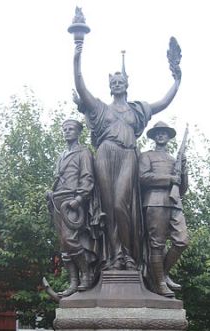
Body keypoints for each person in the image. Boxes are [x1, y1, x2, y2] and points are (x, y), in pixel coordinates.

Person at [73, 40, 181, 270]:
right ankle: (115, 256)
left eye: (121, 81)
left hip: (128, 156)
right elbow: (80, 85)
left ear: (126, 85)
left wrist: (177, 80)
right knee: (109, 207)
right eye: (114, 82)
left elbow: (163, 102)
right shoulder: (101, 108)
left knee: (123, 205)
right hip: (105, 155)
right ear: (110, 86)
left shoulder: (137, 109)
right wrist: (77, 55)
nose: (118, 84)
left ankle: (129, 254)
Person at [47, 119, 97, 297]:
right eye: (65, 129)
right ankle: (73, 282)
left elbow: (88, 177)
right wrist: (51, 193)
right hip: (57, 200)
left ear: (78, 132)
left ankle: (87, 275)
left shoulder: (84, 152)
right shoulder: (61, 155)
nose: (67, 132)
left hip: (72, 200)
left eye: (71, 129)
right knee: (63, 244)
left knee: (71, 240)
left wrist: (79, 198)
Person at [139, 121, 189, 297]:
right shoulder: (146, 156)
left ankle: (162, 273)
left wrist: (183, 169)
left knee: (182, 240)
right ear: (154, 136)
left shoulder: (173, 160)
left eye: (164, 133)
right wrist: (169, 178)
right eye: (157, 133)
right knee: (157, 244)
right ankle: (159, 282)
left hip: (174, 202)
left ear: (168, 137)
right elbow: (143, 178)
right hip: (155, 201)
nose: (161, 135)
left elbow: (182, 189)